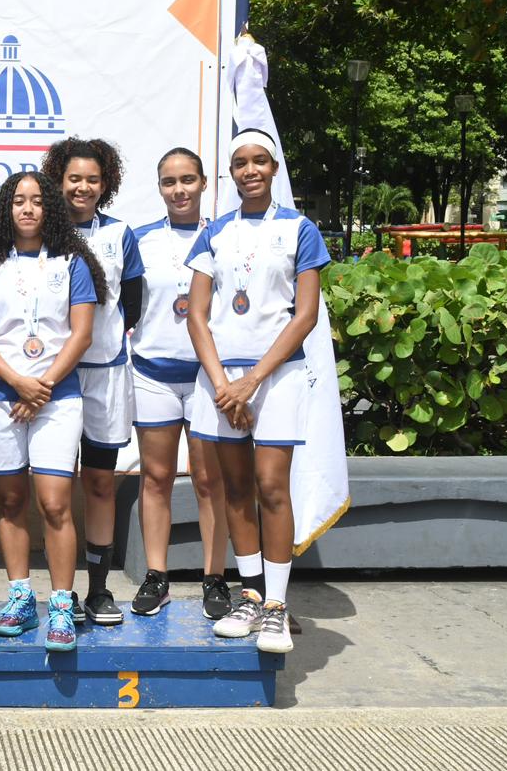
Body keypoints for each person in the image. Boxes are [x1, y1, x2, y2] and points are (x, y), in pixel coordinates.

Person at [185, 128, 330, 653]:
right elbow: (197, 316)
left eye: (260, 162)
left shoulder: (300, 229)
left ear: (274, 169)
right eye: (241, 163)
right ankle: (249, 596)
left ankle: (276, 605)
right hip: (222, 381)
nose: (250, 170)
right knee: (235, 488)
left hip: (277, 376)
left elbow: (305, 315)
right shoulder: (215, 233)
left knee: (272, 486)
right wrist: (225, 384)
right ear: (231, 172)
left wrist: (253, 380)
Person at [0, 171, 102, 652]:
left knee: (55, 503)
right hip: (1, 397)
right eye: (18, 201)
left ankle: (62, 601)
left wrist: (39, 387)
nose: (27, 209)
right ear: (7, 209)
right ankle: (21, 597)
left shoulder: (72, 262)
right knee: (9, 503)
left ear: (51, 209)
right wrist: (18, 382)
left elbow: (81, 335)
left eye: (37, 201)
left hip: (56, 399)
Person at [41, 138, 143, 626]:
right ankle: (57, 593)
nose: (82, 187)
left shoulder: (121, 235)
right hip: (52, 382)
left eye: (93, 179)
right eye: (74, 178)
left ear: (106, 184)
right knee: (54, 489)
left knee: (100, 482)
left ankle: (98, 590)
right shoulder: (38, 233)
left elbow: (133, 305)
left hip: (103, 376)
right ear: (58, 179)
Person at [128, 148, 231, 619]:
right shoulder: (141, 239)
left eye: (188, 179)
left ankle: (215, 579)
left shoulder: (225, 238)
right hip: (153, 375)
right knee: (157, 478)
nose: (179, 190)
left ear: (205, 183)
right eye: (169, 181)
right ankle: (157, 575)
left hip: (207, 377)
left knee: (211, 481)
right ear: (159, 187)